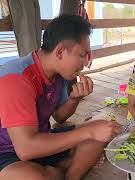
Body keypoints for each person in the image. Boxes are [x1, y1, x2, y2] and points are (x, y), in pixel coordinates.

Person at [0, 15, 121, 180]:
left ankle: (65, 175)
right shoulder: (16, 78)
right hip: (7, 152)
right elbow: (26, 149)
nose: (86, 62)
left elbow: (59, 116)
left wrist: (74, 99)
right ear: (60, 51)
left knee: (104, 128)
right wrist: (88, 132)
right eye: (82, 54)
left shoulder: (58, 74)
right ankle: (57, 170)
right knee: (30, 176)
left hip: (43, 139)